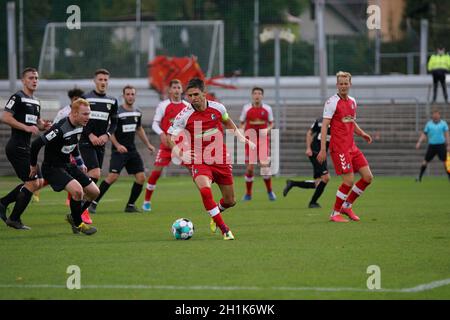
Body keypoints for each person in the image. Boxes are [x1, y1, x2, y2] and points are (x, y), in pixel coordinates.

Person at [167, 78, 255, 240]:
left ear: (204, 93)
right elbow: (170, 136)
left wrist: (242, 138)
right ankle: (225, 229)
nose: (192, 98)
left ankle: (216, 213)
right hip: (199, 159)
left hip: (220, 159)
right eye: (190, 95)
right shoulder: (184, 115)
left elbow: (228, 122)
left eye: (196, 94)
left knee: (230, 201)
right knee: (205, 190)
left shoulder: (218, 108)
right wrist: (181, 153)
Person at [29, 98, 99, 235]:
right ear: (74, 113)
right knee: (78, 191)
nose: (88, 117)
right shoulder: (59, 129)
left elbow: (73, 144)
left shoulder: (80, 125)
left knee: (94, 192)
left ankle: (74, 216)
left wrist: (80, 162)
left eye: (89, 113)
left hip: (68, 165)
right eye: (85, 114)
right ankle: (78, 224)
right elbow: (36, 144)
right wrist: (33, 166)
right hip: (52, 167)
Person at [317, 71, 374, 223]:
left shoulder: (353, 101)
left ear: (350, 84)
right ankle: (335, 213)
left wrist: (362, 134)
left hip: (352, 147)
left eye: (346, 83)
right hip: (339, 148)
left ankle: (346, 206)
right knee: (349, 181)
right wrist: (323, 149)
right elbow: (324, 127)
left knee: (368, 177)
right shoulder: (331, 102)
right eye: (340, 84)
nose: (343, 86)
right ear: (337, 85)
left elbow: (351, 121)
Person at [90, 85, 155, 213]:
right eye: (128, 94)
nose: (130, 96)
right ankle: (93, 202)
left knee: (141, 177)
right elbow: (111, 131)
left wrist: (148, 144)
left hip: (132, 150)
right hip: (118, 151)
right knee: (112, 176)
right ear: (123, 96)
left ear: (135, 96)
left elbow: (139, 129)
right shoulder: (118, 112)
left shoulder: (137, 111)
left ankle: (130, 205)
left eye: (132, 94)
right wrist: (117, 145)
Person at [0, 67, 51, 230]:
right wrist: (26, 128)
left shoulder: (36, 101)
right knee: (32, 182)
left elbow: (36, 122)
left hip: (26, 147)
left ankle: (3, 203)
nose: (34, 80)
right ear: (23, 80)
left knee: (40, 181)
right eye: (30, 78)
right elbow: (5, 117)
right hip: (16, 146)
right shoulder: (17, 97)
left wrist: (42, 126)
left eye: (36, 78)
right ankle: (14, 219)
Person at [142, 79, 189, 211]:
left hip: (181, 146)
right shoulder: (163, 105)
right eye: (174, 87)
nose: (176, 90)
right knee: (156, 173)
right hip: (167, 146)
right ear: (170, 90)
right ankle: (146, 202)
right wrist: (162, 133)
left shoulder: (187, 106)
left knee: (195, 171)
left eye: (178, 87)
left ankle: (207, 200)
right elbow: (155, 124)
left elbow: (189, 124)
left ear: (181, 89)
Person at [79, 69, 118, 214]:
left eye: (105, 80)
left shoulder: (112, 100)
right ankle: (83, 207)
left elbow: (114, 123)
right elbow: (79, 120)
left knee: (94, 175)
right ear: (95, 81)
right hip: (85, 141)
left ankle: (79, 201)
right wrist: (90, 135)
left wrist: (107, 135)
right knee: (95, 174)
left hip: (101, 143)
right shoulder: (86, 98)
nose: (103, 82)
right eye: (100, 79)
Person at [283, 117, 331, 208]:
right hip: (316, 152)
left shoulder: (339, 122)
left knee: (318, 183)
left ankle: (292, 183)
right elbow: (309, 133)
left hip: (322, 153)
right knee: (326, 178)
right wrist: (308, 148)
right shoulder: (321, 121)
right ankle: (312, 202)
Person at [239, 87, 276, 201]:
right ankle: (248, 194)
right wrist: (241, 132)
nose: (257, 95)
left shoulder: (267, 109)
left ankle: (270, 191)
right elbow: (241, 123)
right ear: (252, 95)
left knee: (264, 166)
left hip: (263, 140)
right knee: (250, 168)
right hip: (250, 140)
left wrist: (268, 129)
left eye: (259, 93)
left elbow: (272, 123)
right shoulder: (246, 108)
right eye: (255, 93)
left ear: (262, 96)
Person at [415, 108, 450, 181]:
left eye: (437, 114)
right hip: (432, 146)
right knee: (425, 161)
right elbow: (424, 134)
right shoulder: (429, 124)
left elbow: (447, 134)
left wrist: (448, 144)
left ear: (439, 115)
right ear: (432, 115)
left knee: (446, 162)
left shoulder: (443, 123)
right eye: (434, 114)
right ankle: (419, 177)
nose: (435, 116)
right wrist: (419, 142)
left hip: (441, 145)